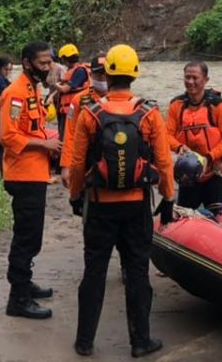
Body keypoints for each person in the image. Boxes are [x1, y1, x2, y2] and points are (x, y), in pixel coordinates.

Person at [69, 44, 174, 358]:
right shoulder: (150, 114)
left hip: (100, 204)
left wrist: (76, 196)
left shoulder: (90, 113)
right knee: (138, 273)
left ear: (107, 73)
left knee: (94, 272)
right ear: (135, 74)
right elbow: (164, 162)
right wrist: (168, 198)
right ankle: (140, 341)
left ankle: (85, 341)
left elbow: (76, 164)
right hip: (136, 205)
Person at [0, 40, 62, 319]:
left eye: (50, 62)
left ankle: (25, 282)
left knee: (32, 235)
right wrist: (44, 146)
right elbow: (8, 136)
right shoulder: (15, 94)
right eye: (43, 63)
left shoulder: (33, 89)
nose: (48, 67)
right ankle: (18, 298)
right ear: (27, 63)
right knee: (26, 238)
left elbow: (33, 127)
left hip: (35, 172)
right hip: (23, 175)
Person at [165, 61, 222, 218]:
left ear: (206, 80)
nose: (190, 82)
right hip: (187, 173)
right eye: (187, 77)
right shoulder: (176, 105)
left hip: (214, 170)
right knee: (181, 215)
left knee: (221, 216)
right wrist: (178, 147)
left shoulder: (218, 105)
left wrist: (209, 158)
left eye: (195, 78)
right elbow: (167, 136)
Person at [60, 54, 106, 190]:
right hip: (88, 160)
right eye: (99, 75)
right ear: (91, 75)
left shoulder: (124, 99)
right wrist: (66, 166)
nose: (103, 78)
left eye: (106, 74)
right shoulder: (79, 100)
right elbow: (70, 133)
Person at [54, 43, 91, 140]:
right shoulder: (73, 71)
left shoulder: (80, 71)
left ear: (65, 59)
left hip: (72, 111)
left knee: (67, 136)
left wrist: (53, 83)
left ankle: (64, 153)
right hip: (67, 110)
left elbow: (64, 89)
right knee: (63, 135)